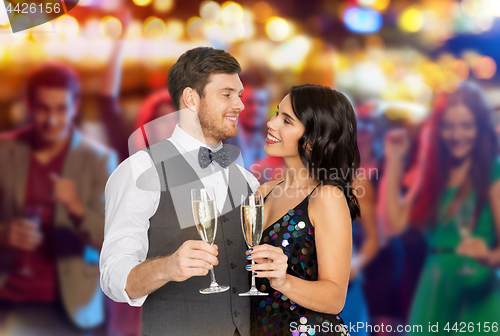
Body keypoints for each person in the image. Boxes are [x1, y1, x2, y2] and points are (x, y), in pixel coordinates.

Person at [100, 47, 260, 336]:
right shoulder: (139, 170)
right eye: (227, 94)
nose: (240, 105)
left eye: (240, 94)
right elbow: (113, 277)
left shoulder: (248, 180)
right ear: (190, 98)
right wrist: (168, 267)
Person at [0, 63, 117, 335]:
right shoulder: (5, 152)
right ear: (29, 105)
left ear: (75, 106)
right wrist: (4, 233)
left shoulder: (98, 160)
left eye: (61, 109)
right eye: (43, 108)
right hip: (9, 302)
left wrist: (76, 209)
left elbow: (113, 241)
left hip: (73, 309)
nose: (51, 120)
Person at [380, 81, 500, 334]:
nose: (457, 135)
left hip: (478, 295)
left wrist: (488, 256)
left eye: (466, 126)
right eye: (449, 126)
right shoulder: (434, 173)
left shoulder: (493, 171)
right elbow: (394, 225)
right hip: (434, 288)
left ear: (480, 128)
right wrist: (395, 159)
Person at [248, 84, 357, 336]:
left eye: (286, 121)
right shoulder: (264, 192)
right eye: (277, 113)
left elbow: (335, 298)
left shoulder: (326, 196)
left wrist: (284, 281)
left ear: (311, 140)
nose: (271, 124)